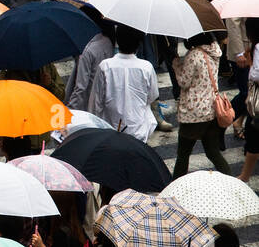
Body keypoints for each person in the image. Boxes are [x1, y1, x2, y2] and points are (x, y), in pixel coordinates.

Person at [172, 31, 231, 176]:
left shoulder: (194, 55)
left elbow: (184, 82)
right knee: (213, 153)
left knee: (183, 155)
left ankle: (172, 191)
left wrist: (176, 65)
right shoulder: (215, 51)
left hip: (193, 114)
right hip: (211, 110)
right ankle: (232, 181)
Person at [92, 25, 159, 142]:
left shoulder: (105, 66)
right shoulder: (146, 67)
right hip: (138, 131)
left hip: (110, 129)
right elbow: (152, 96)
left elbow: (96, 103)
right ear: (138, 44)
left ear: (118, 41)